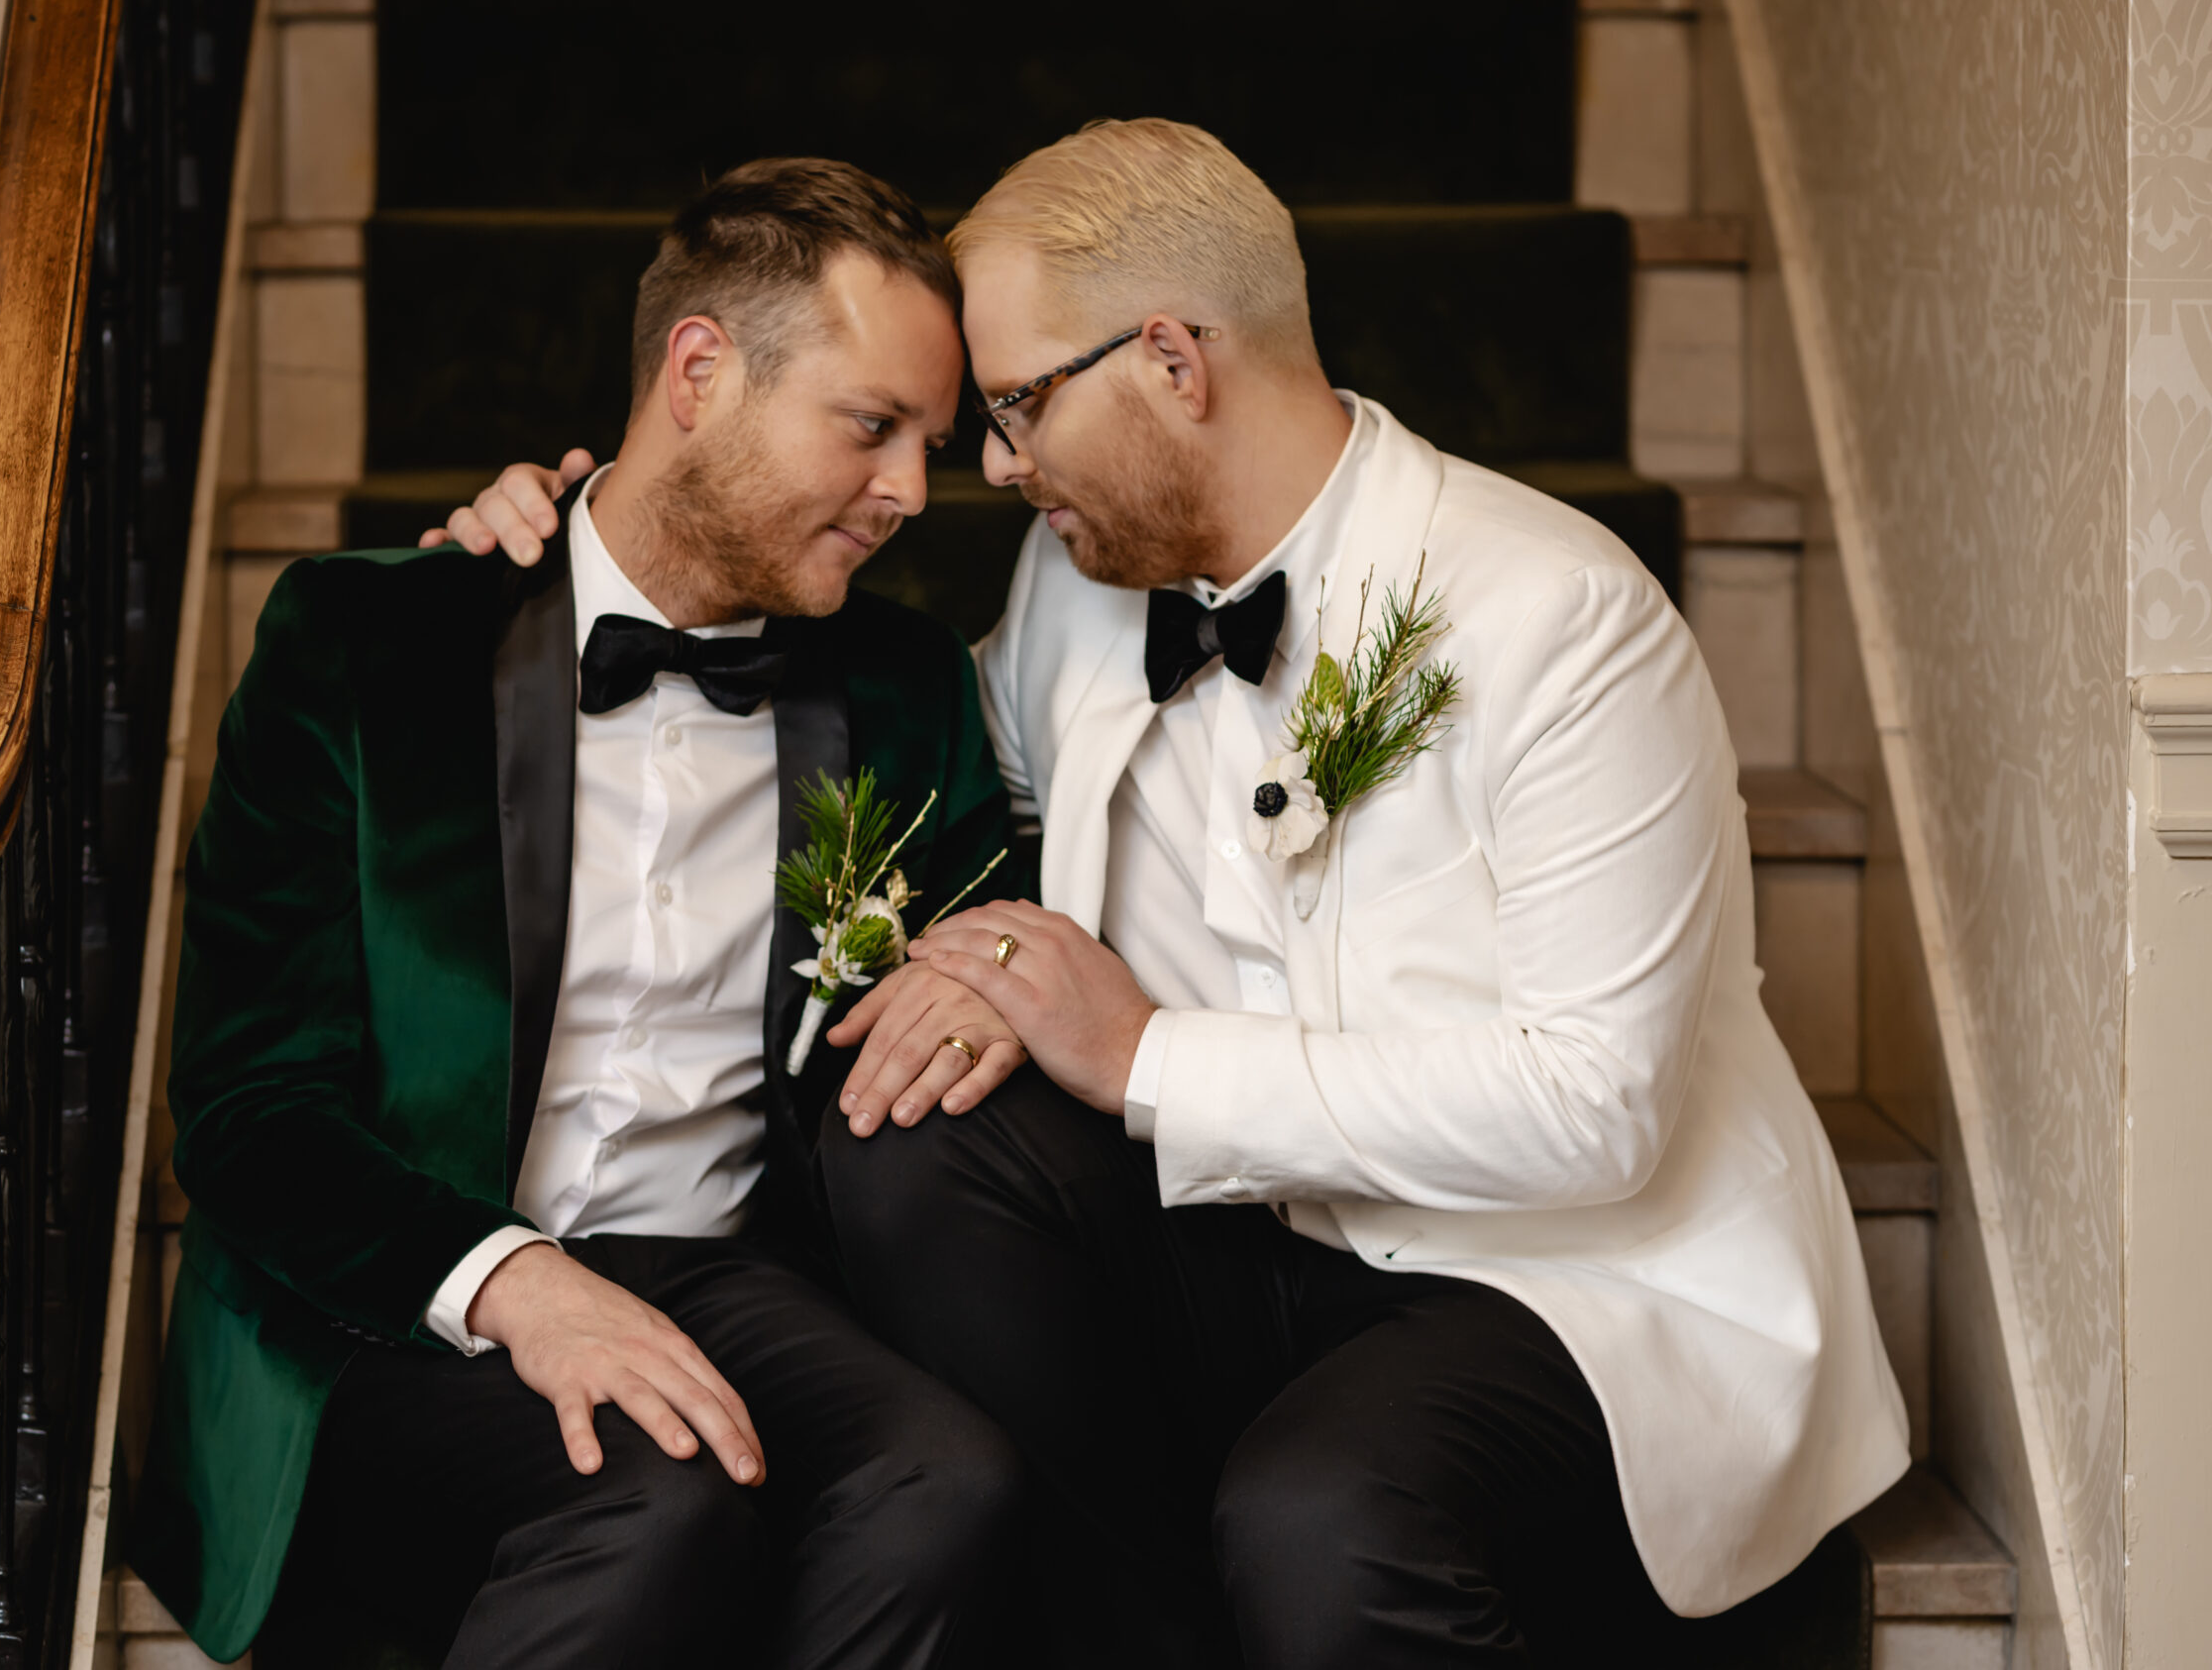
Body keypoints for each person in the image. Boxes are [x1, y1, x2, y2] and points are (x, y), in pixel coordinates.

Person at [440, 120, 1911, 1668]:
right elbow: (912, 763)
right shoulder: (1076, 597)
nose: (991, 471)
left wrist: (1140, 1051)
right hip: (1241, 1240)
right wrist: (592, 545)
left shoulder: (1561, 615)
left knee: (1321, 1517)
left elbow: (1594, 1110)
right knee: (912, 1132)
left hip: (1559, 1276)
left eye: (1015, 407)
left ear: (1168, 361)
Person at [129, 157, 1032, 1670]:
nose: (908, 496)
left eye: (927, 444)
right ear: (700, 373)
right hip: (392, 1312)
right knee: (655, 1509)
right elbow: (243, 1110)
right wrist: (513, 1282)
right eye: (870, 428)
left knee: (949, 1485)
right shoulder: (367, 643)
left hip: (728, 1277)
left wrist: (995, 967)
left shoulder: (902, 683)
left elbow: (988, 931)